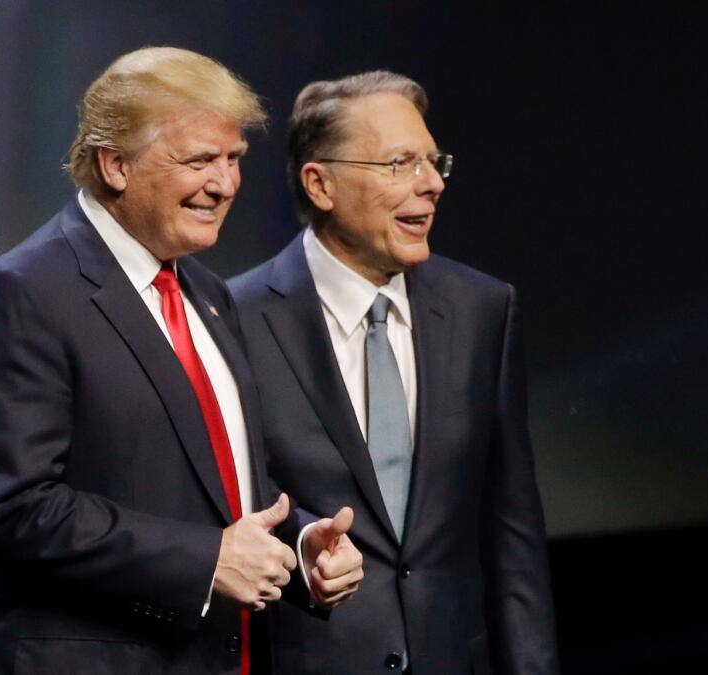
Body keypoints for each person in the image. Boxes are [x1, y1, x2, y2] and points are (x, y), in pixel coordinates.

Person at [0, 47, 364, 675]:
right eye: (200, 160)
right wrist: (205, 561)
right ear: (114, 165)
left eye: (234, 159)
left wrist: (300, 547)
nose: (224, 184)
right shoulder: (21, 295)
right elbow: (16, 508)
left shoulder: (209, 294)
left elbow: (218, 487)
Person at [229, 71, 559, 674]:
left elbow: (511, 528)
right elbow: (228, 512)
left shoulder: (482, 308)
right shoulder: (235, 320)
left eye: (434, 162)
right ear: (320, 183)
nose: (431, 184)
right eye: (400, 163)